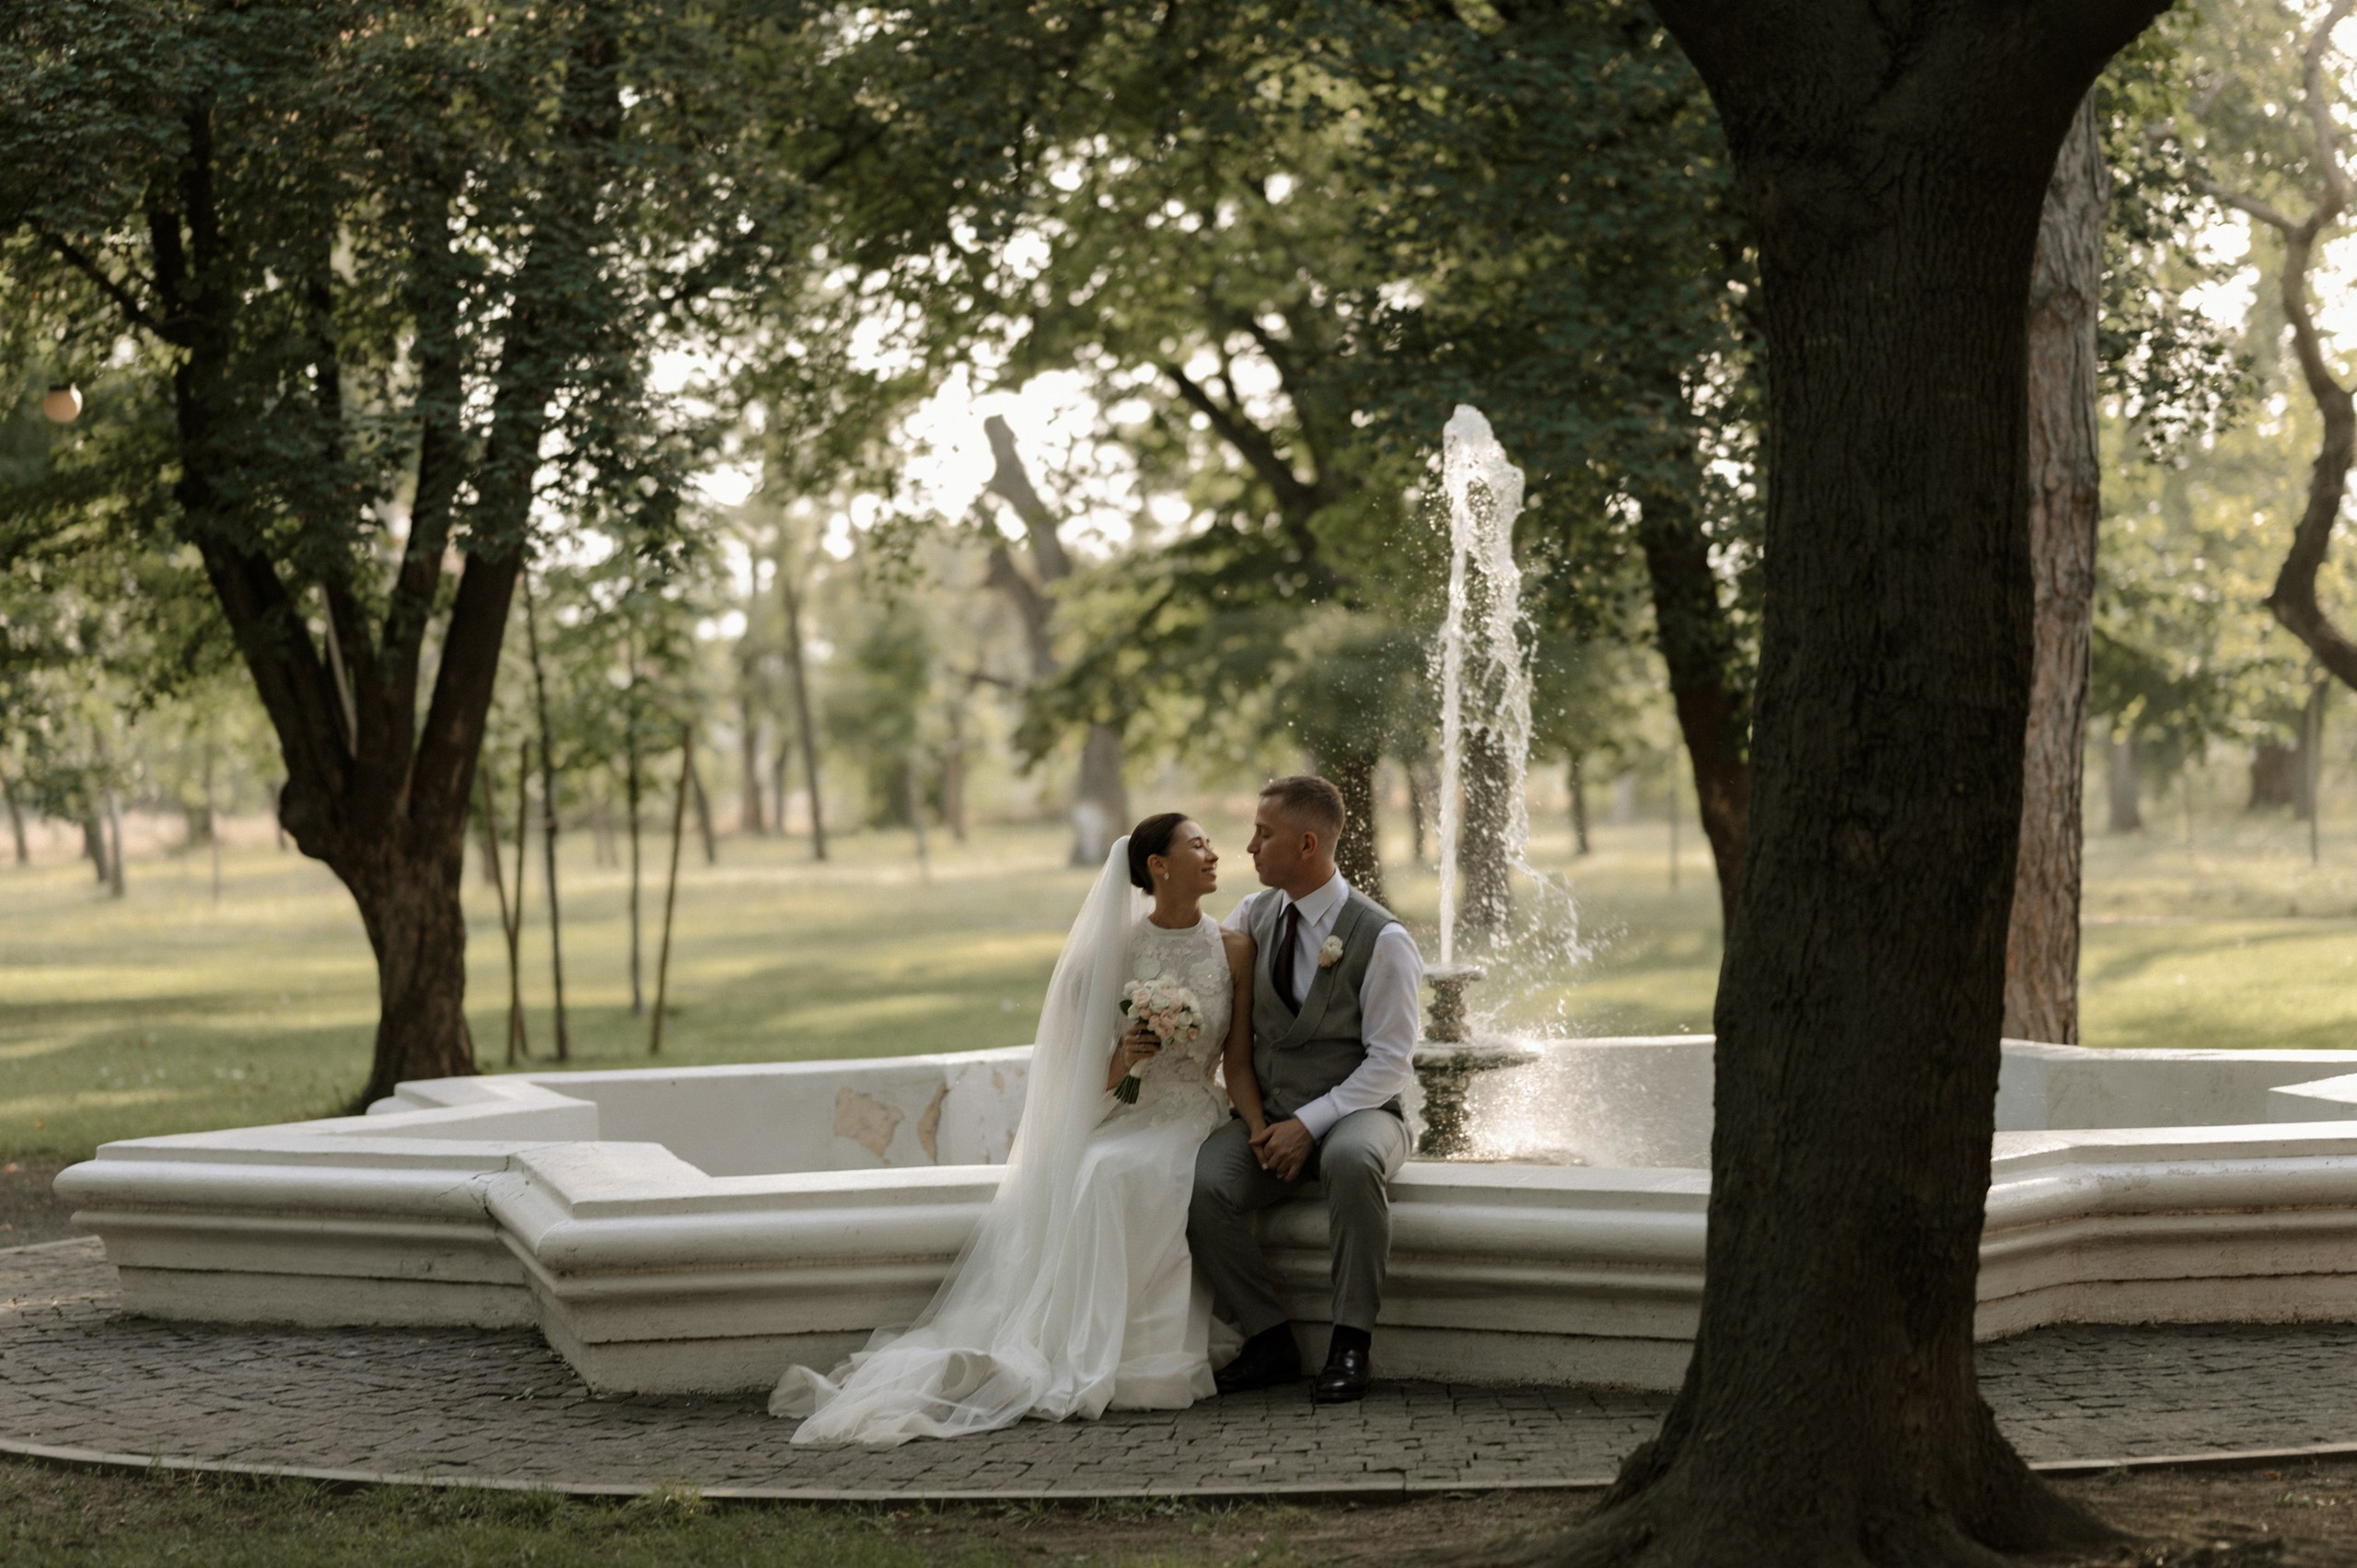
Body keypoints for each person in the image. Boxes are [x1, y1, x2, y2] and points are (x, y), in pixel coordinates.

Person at [772, 814, 1260, 1446]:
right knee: (1092, 1166)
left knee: (1118, 1171)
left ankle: (1140, 1346)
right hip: (1131, 1105)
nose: (1214, 852)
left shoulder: (1234, 948)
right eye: (1197, 844)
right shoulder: (1115, 953)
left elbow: (1240, 1060)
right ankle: (1074, 1341)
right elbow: (1085, 1070)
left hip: (1193, 1109)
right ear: (1159, 866)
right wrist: (1127, 1055)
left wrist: (1264, 1126)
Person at [1190, 775, 1421, 1404]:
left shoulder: (1383, 939)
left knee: (1351, 1161)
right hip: (1268, 1112)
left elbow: (1391, 1061)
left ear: (1308, 844)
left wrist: (1310, 1123)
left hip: (1361, 1112)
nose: (1250, 847)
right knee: (1203, 1182)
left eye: (1264, 834)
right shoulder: (1250, 918)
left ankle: (1351, 1344)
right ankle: (1269, 1339)